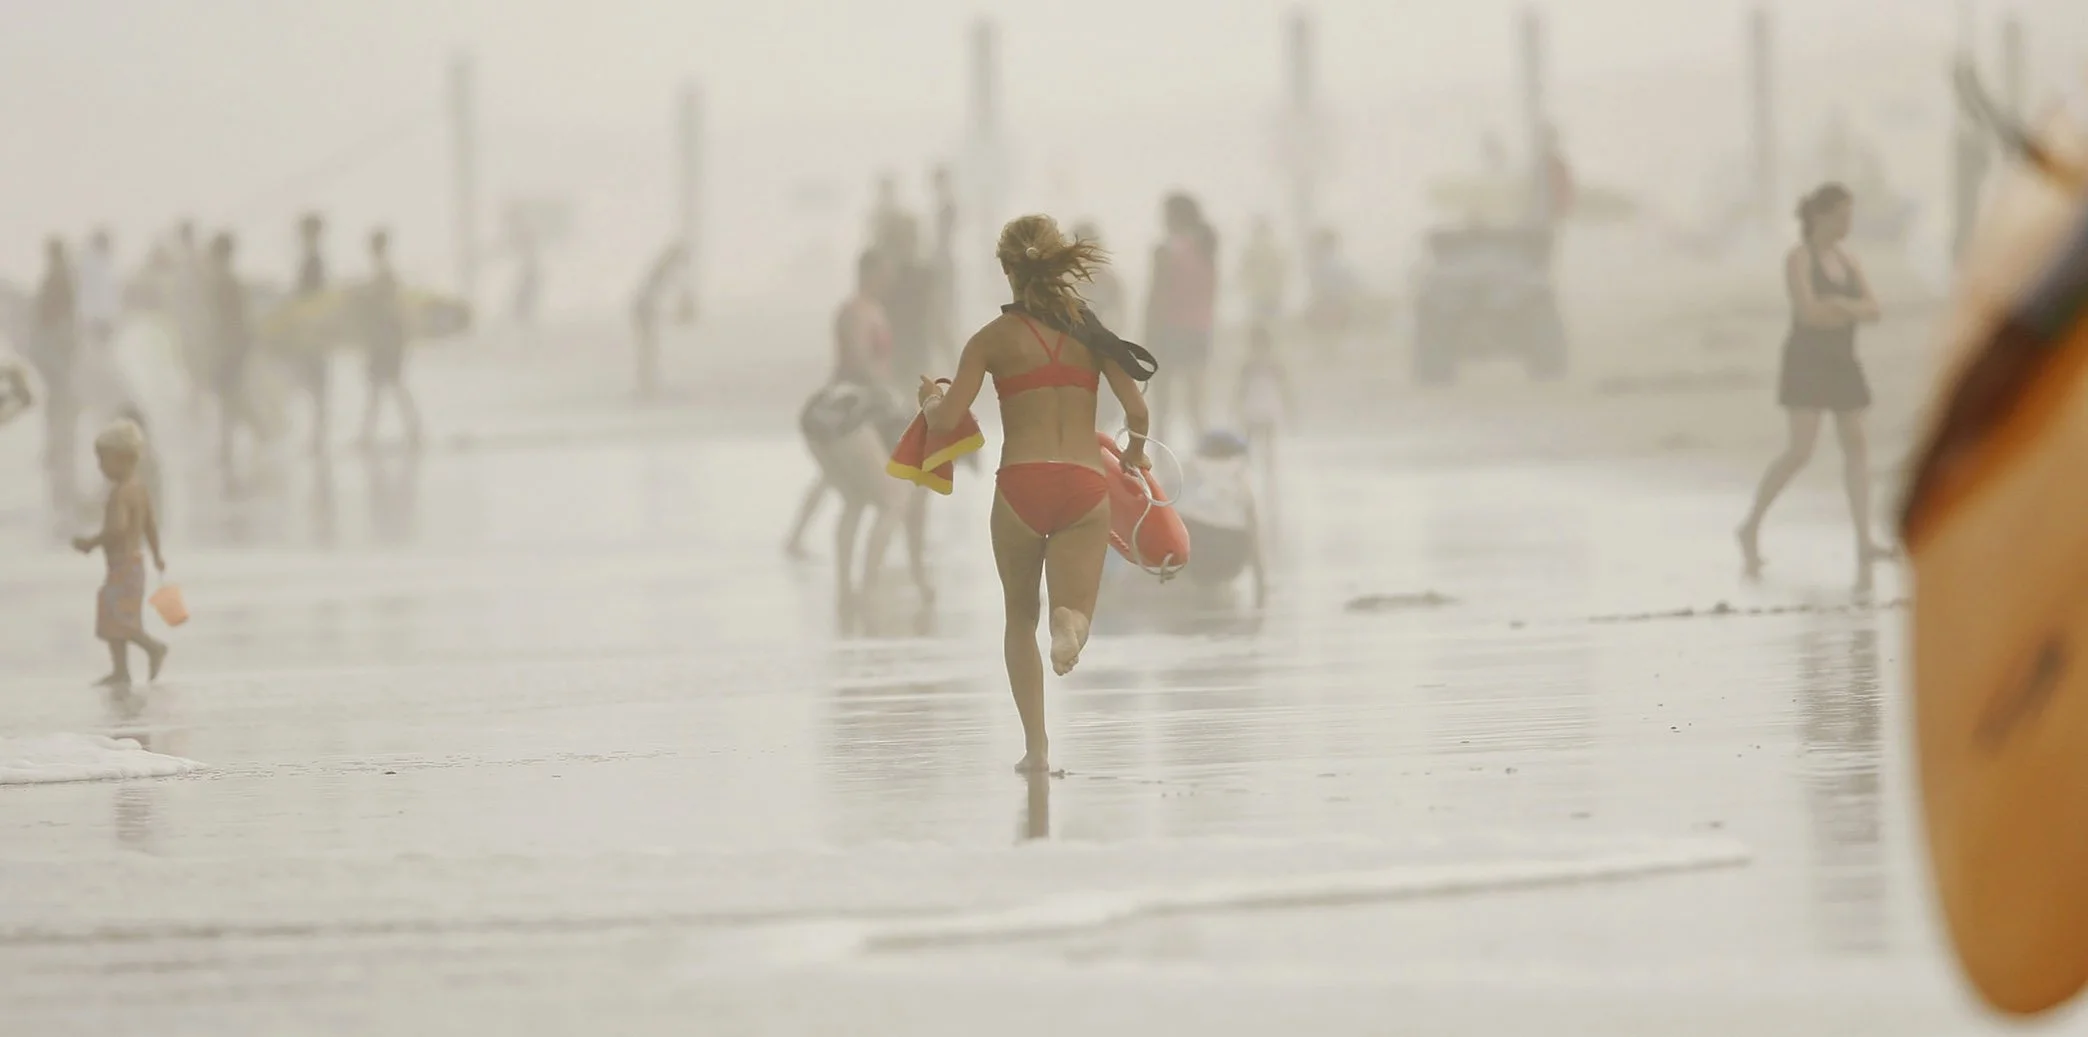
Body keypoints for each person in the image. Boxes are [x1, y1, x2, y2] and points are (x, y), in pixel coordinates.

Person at [916, 214, 1157, 774]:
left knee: (1019, 617)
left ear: (1007, 270)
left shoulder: (990, 340)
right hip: (1080, 482)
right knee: (1072, 607)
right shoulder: (1090, 333)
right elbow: (1138, 411)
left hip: (1021, 486)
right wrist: (1134, 454)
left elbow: (947, 420)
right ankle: (1071, 624)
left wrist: (929, 400)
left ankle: (1037, 748)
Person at [1737, 183, 1890, 587]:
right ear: (1820, 217)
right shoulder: (1798, 259)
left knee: (1856, 446)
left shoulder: (1848, 260)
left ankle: (1864, 540)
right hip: (1806, 361)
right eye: (1841, 215)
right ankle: (1751, 525)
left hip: (1843, 360)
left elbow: (1875, 309)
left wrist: (1840, 307)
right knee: (1800, 450)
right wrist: (1845, 310)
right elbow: (1807, 314)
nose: (1847, 223)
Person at [71, 418, 168, 687]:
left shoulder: (120, 493)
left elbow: (117, 529)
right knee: (115, 616)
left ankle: (153, 648)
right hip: (133, 565)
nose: (100, 467)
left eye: (104, 460)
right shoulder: (140, 490)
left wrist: (90, 543)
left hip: (122, 567)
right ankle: (121, 671)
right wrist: (158, 555)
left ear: (124, 458)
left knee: (118, 618)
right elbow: (150, 526)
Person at [1143, 193, 1218, 443]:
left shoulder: (1165, 250)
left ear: (1174, 216)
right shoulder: (1207, 249)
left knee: (1162, 405)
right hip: (1199, 331)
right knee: (1196, 404)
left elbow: (1156, 295)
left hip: (1168, 329)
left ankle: (1159, 461)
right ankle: (1205, 458)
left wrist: (1146, 333)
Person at [1174, 430, 1267, 609]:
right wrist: (1260, 583)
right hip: (1232, 551)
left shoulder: (1188, 475)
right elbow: (1254, 532)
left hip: (1195, 545)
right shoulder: (1243, 481)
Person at [358, 229, 422, 450]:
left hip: (385, 342)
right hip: (387, 341)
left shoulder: (384, 275)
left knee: (385, 388)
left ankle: (411, 432)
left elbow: (388, 309)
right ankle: (412, 432)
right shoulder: (383, 273)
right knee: (388, 388)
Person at [35, 237, 80, 514]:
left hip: (56, 341)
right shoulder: (61, 276)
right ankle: (58, 445)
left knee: (59, 394)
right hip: (59, 342)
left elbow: (55, 313)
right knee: (59, 394)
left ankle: (59, 445)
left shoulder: (57, 277)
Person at [206, 232, 252, 480]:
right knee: (230, 396)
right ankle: (228, 444)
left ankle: (228, 445)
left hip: (230, 347)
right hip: (231, 346)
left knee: (230, 397)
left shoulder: (226, 281)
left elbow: (230, 319)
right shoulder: (228, 280)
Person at [293, 214, 332, 455]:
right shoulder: (313, 261)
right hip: (312, 334)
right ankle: (317, 436)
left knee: (316, 387)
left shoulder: (313, 262)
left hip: (312, 334)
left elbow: (312, 300)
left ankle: (318, 437)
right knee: (315, 387)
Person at [631, 241, 687, 399]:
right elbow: (658, 293)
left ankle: (648, 382)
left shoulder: (662, 269)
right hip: (645, 309)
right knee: (648, 348)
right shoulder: (665, 270)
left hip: (646, 308)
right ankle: (647, 384)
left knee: (648, 348)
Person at [1235, 323, 1294, 469]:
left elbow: (1286, 389)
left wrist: (1290, 408)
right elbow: (1240, 390)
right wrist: (1236, 408)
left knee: (1268, 448)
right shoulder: (1248, 366)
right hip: (1253, 409)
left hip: (1268, 409)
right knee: (1248, 446)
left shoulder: (1274, 365)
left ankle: (1269, 477)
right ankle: (1245, 473)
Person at [1240, 218, 1288, 329]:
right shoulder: (1274, 250)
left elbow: (1244, 273)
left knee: (1262, 327)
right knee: (1272, 326)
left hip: (1262, 295)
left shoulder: (1251, 250)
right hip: (1267, 294)